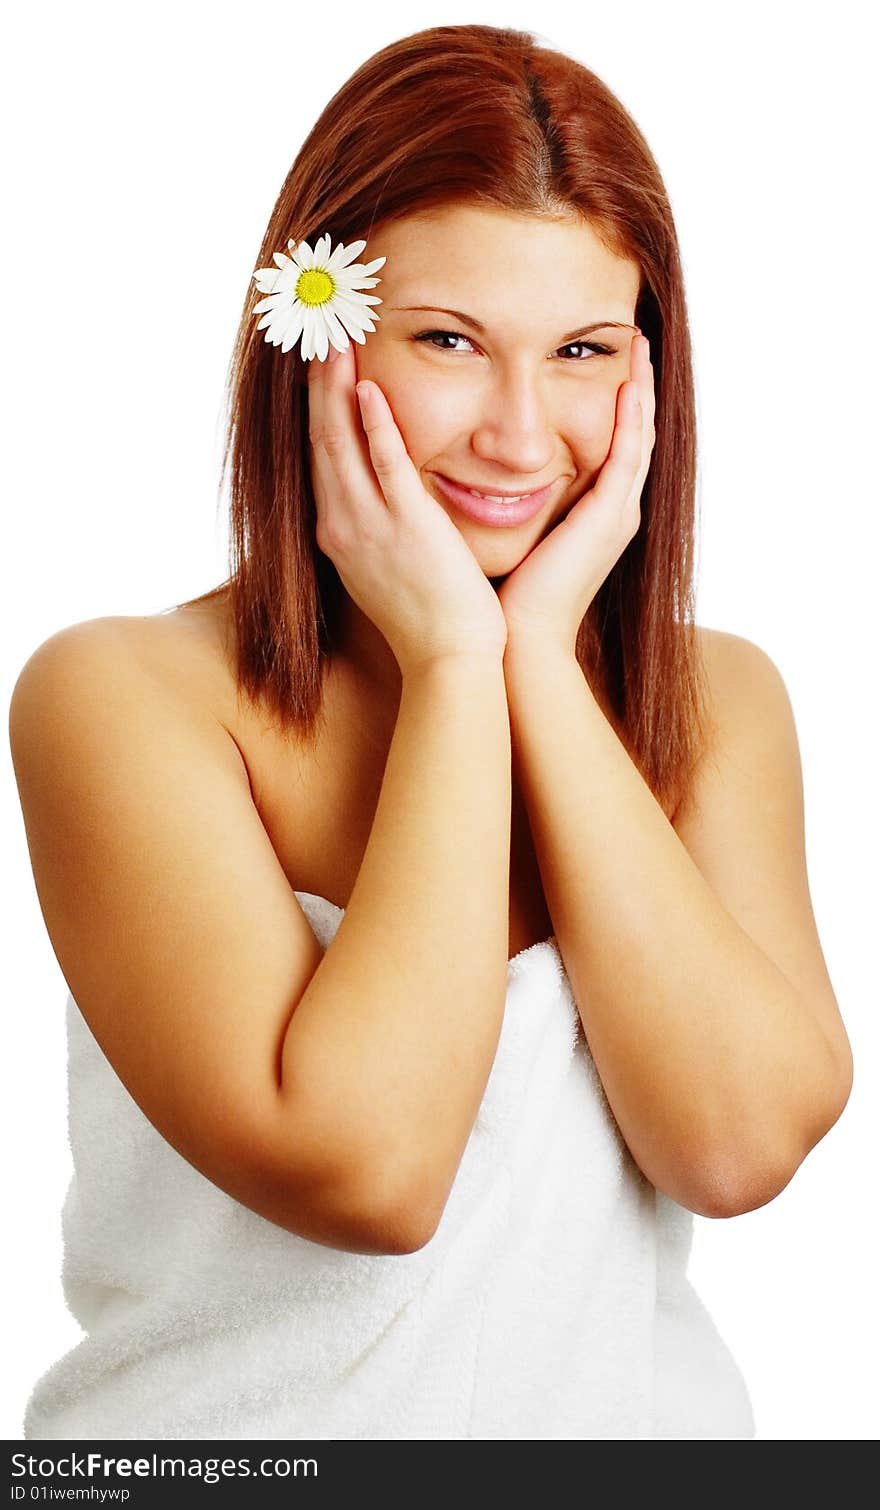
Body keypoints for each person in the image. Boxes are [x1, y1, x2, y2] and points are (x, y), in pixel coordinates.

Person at [8, 22, 852, 1442]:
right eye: (450, 342)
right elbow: (373, 1173)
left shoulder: (721, 704)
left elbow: (736, 1142)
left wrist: (538, 661)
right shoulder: (123, 696)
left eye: (583, 350)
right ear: (320, 343)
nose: (521, 437)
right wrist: (456, 660)